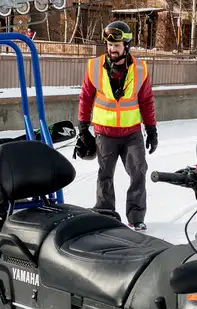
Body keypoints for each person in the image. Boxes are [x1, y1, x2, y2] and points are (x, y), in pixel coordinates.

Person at [74, 21, 158, 231]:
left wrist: (152, 129)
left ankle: (136, 216)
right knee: (105, 174)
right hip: (105, 133)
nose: (112, 49)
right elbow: (85, 97)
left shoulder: (140, 69)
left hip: (132, 133)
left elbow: (146, 101)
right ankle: (105, 213)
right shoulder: (95, 67)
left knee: (139, 171)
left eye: (117, 45)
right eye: (110, 45)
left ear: (126, 46)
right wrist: (83, 128)